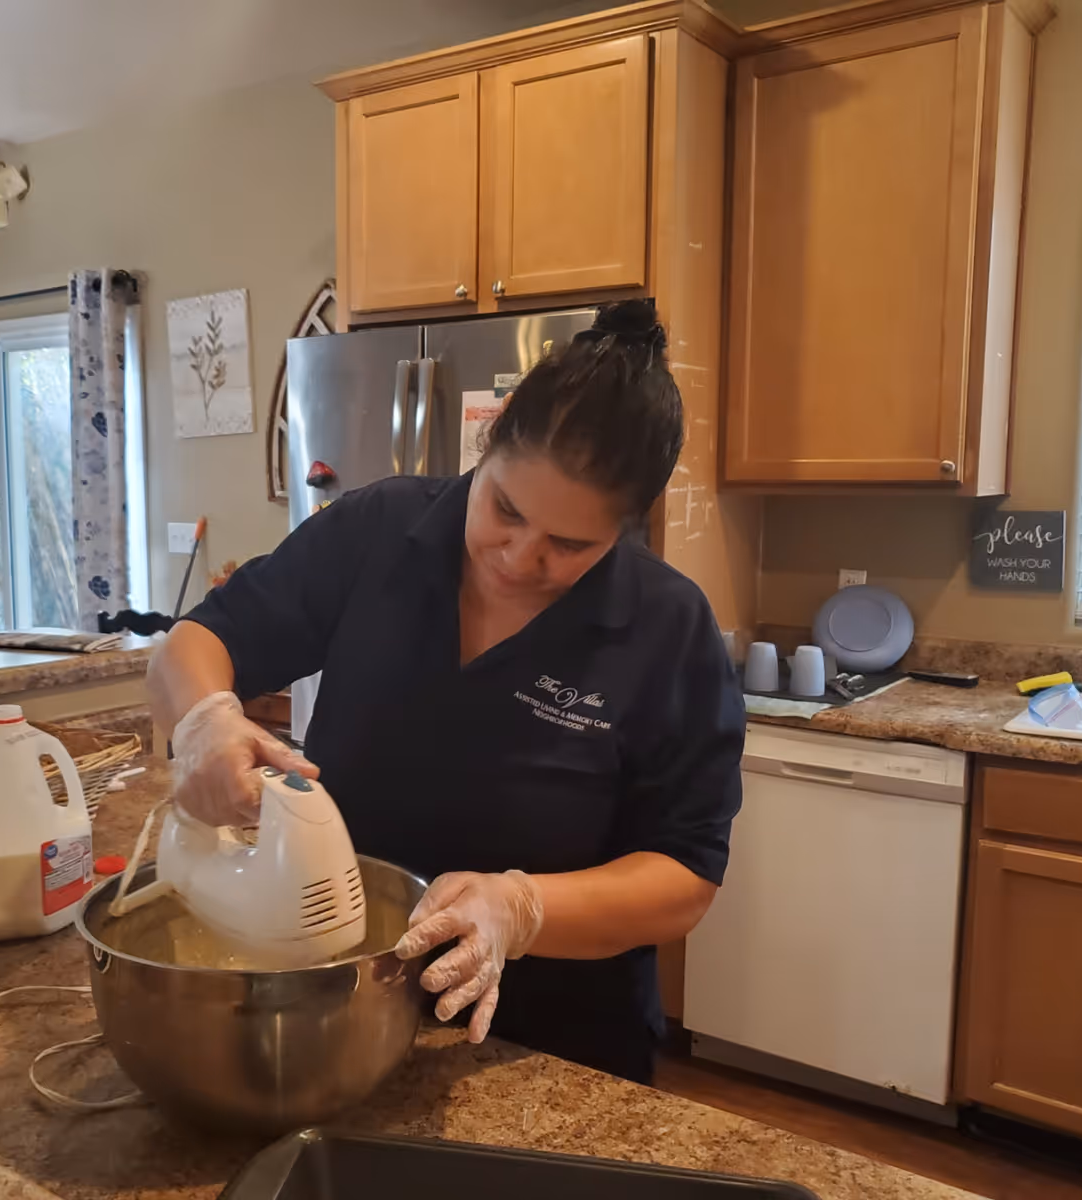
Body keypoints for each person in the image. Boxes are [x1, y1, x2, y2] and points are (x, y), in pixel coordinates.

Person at [148, 300, 745, 1083]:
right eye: (505, 508)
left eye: (569, 546)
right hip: (342, 1009)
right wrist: (205, 718)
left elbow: (683, 876)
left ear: (626, 529)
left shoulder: (666, 629)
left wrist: (520, 910)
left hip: (553, 1053)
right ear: (486, 444)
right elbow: (198, 642)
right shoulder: (377, 533)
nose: (519, 556)